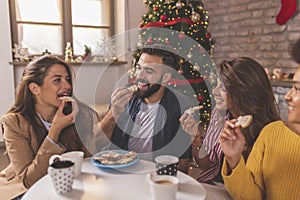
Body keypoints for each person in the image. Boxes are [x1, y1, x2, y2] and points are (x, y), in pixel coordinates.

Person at [0, 55, 108, 199]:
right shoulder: (14, 123)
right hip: (25, 190)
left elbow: (87, 163)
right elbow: (29, 181)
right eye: (57, 80)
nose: (67, 86)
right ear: (35, 89)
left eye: (67, 79)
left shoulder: (81, 114)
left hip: (68, 186)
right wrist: (54, 131)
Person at [180, 57, 280, 184]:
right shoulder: (220, 115)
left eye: (223, 88)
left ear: (244, 91)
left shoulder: (268, 131)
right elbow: (207, 167)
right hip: (213, 186)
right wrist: (196, 139)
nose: (214, 92)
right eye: (216, 85)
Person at [219, 46, 300, 199]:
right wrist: (234, 159)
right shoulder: (272, 133)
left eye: (297, 89)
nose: (287, 96)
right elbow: (252, 196)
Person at [97, 47, 194, 173]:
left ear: (165, 77)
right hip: (119, 171)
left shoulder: (181, 105)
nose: (139, 75)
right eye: (138, 68)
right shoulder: (123, 98)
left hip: (154, 175)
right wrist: (113, 112)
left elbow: (182, 165)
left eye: (148, 71)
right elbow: (96, 142)